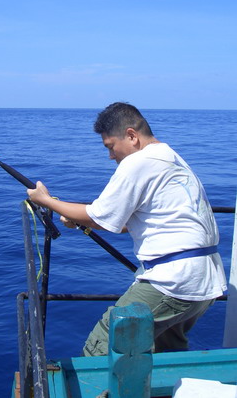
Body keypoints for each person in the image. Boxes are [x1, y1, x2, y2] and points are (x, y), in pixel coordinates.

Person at [27, 102, 226, 354]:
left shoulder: (138, 162)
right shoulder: (171, 157)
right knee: (168, 351)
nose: (111, 156)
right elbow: (123, 222)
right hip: (206, 280)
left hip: (174, 281)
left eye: (110, 147)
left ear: (131, 136)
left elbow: (99, 217)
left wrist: (45, 200)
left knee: (106, 342)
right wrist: (79, 220)